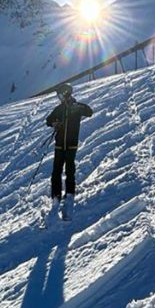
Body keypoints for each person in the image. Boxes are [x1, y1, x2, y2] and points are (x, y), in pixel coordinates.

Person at [45, 83, 93, 220]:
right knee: (56, 171)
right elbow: (48, 120)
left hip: (71, 144)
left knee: (70, 169)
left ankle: (70, 194)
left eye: (60, 95)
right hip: (59, 144)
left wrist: (79, 107)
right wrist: (54, 122)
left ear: (65, 93)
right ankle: (56, 195)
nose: (59, 98)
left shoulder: (76, 107)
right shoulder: (59, 109)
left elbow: (89, 112)